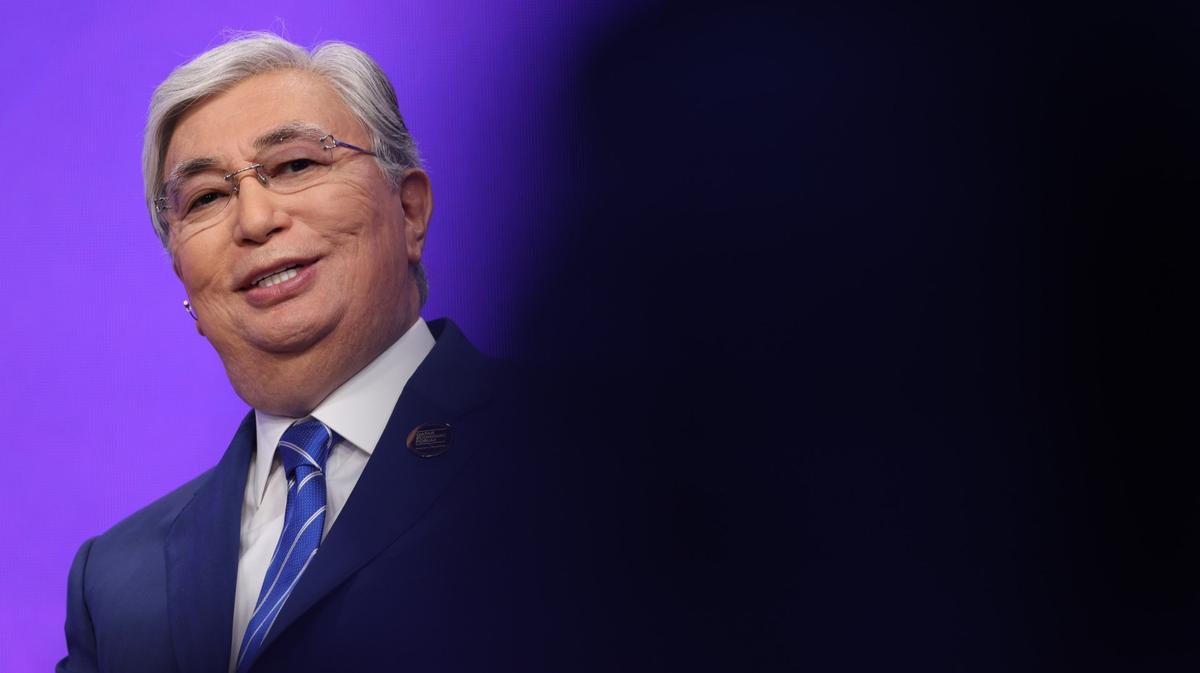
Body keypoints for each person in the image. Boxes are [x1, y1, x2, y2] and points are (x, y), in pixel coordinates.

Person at [57, 33, 584, 673]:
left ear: (410, 211)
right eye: (206, 198)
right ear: (184, 282)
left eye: (296, 165)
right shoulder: (113, 583)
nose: (255, 219)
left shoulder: (589, 448)